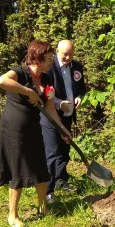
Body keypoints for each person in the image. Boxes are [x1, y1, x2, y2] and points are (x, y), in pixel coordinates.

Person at [0, 40, 71, 227]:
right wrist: (27, 90)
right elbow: (2, 81)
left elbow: (49, 108)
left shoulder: (47, 79)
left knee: (41, 167)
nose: (51, 61)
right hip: (14, 129)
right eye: (47, 58)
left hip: (33, 127)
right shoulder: (20, 73)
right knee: (18, 170)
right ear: (36, 59)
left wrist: (62, 128)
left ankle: (42, 207)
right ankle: (12, 216)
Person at [40, 40, 86, 203]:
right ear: (57, 52)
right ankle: (48, 191)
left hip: (67, 117)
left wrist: (80, 97)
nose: (67, 57)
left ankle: (61, 180)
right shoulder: (49, 68)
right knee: (52, 153)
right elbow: (43, 93)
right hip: (51, 118)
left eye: (71, 54)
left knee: (64, 152)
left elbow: (81, 88)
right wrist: (59, 103)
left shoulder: (77, 67)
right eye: (64, 54)